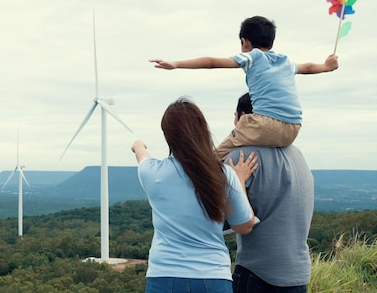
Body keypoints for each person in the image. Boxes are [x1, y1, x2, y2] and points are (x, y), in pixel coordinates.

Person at [149, 15, 339, 162]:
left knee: (216, 157)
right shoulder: (285, 61)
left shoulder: (252, 56)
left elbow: (212, 62)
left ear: (245, 42)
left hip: (265, 125)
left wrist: (175, 64)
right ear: (271, 42)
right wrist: (327, 66)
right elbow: (308, 68)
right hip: (293, 129)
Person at [131, 97, 258, 293]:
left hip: (164, 277)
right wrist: (239, 181)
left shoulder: (152, 173)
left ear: (168, 136)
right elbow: (244, 225)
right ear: (202, 131)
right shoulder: (224, 175)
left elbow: (142, 156)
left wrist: (139, 145)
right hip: (213, 277)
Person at [227, 92, 315, 293]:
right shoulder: (297, 154)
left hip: (258, 272)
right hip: (297, 273)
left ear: (242, 117)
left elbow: (232, 221)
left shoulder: (240, 157)